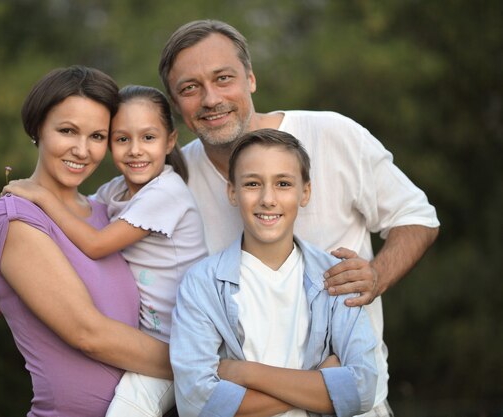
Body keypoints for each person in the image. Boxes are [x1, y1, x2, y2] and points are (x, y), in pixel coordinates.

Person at [158, 19, 440, 415]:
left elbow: (418, 217)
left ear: (251, 78)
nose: (210, 99)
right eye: (190, 88)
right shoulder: (174, 183)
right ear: (175, 104)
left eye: (224, 78)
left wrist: (377, 275)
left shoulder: (333, 134)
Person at [1, 85, 208, 417]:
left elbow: (95, 244)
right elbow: (77, 221)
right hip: (154, 339)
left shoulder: (166, 192)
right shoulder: (115, 192)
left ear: (170, 141)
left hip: (186, 340)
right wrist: (7, 275)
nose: (135, 150)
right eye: (121, 139)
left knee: (130, 409)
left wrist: (41, 197)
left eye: (148, 138)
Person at [171, 128, 378, 417]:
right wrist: (320, 382)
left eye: (283, 183)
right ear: (233, 192)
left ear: (305, 192)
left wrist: (246, 373)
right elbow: (197, 404)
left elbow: (363, 389)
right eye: (253, 184)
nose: (268, 199)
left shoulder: (336, 277)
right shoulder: (202, 284)